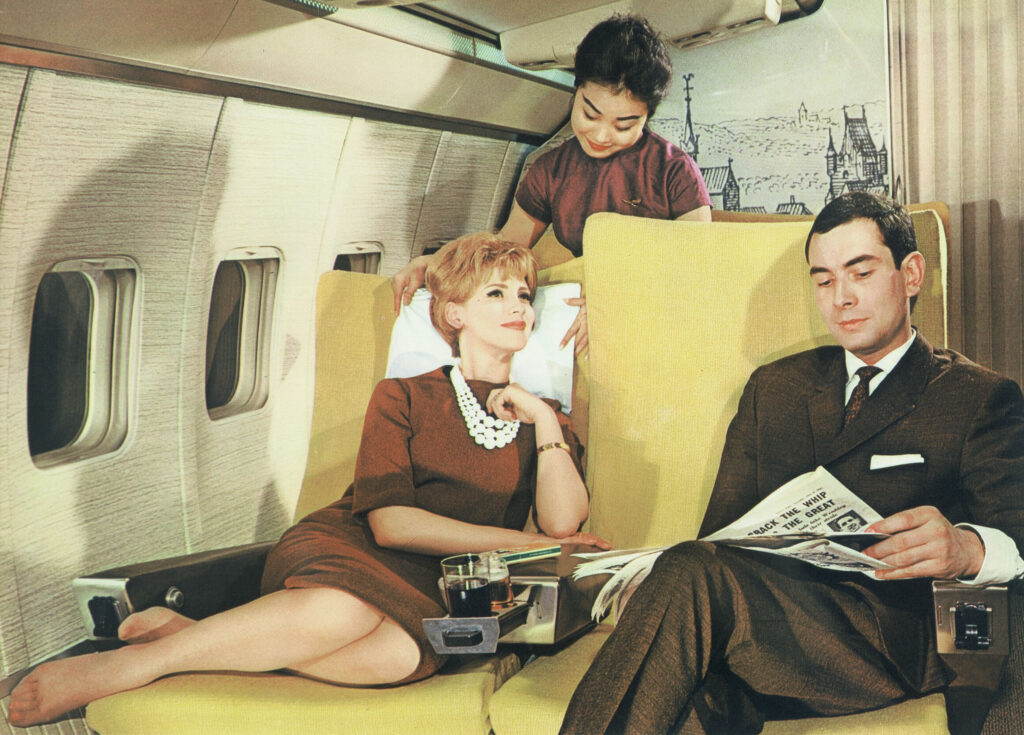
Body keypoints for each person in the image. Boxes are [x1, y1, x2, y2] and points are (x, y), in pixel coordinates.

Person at [6, 232, 610, 728]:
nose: (519, 307)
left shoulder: (543, 416)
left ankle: (206, 642)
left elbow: (564, 522)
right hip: (353, 546)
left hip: (452, 582)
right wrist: (529, 549)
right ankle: (139, 667)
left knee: (400, 656)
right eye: (498, 293)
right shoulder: (402, 395)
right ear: (454, 313)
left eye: (525, 295)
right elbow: (392, 524)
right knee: (343, 615)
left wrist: (539, 416)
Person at [559, 192, 1024, 734]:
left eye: (861, 273)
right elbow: (718, 540)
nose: (841, 298)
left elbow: (1019, 537)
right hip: (761, 631)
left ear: (912, 273)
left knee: (684, 592)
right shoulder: (774, 388)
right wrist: (659, 592)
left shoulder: (977, 396)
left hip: (883, 642)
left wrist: (966, 548)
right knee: (682, 666)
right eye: (823, 280)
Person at [392, 14, 712, 355]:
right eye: (590, 114)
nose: (602, 135)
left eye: (624, 125)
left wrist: (617, 300)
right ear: (576, 91)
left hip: (656, 310)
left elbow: (699, 263)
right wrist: (436, 264)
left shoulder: (674, 171)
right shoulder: (550, 170)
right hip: (584, 315)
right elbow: (504, 248)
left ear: (647, 116)